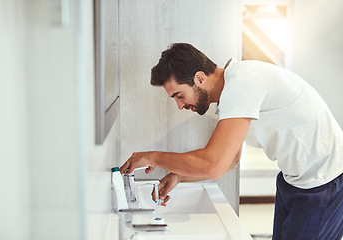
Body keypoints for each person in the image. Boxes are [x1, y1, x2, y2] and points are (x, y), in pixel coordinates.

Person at [119, 43, 343, 239]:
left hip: (324, 181)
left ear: (199, 78)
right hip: (295, 180)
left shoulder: (242, 84)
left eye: (179, 95)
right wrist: (179, 176)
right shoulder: (233, 93)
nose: (180, 106)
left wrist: (153, 157)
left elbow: (214, 165)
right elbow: (231, 160)